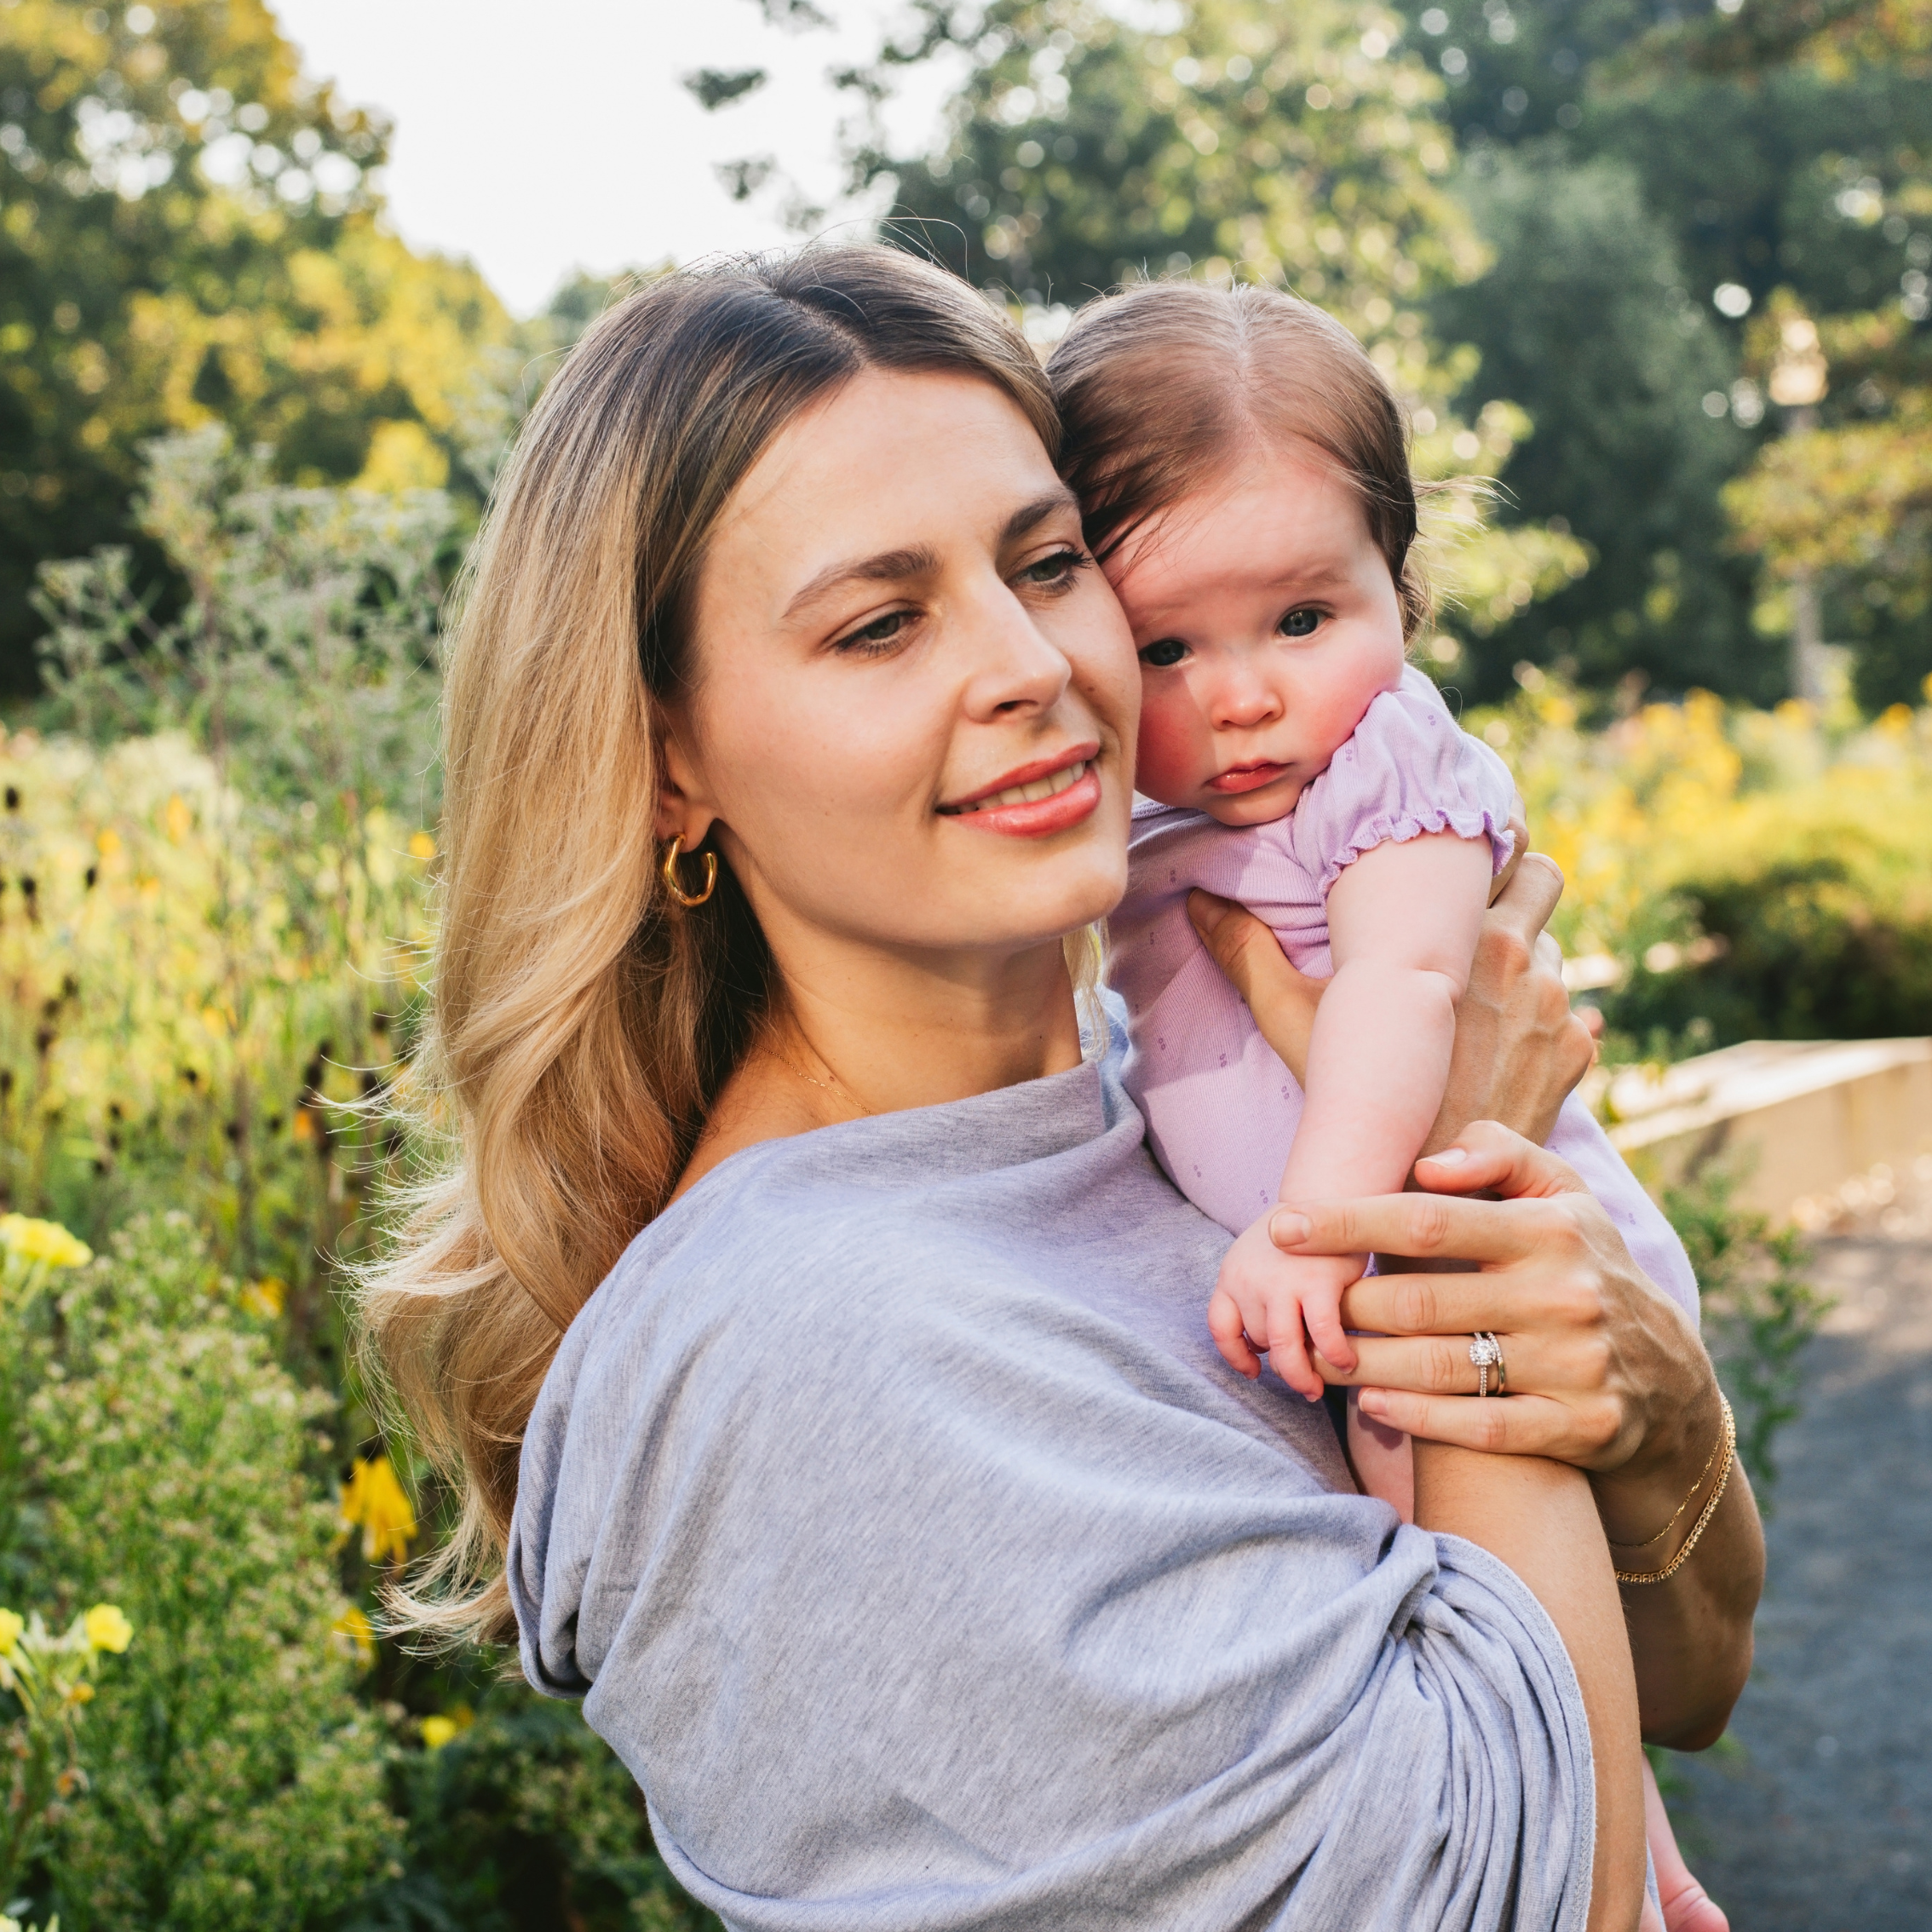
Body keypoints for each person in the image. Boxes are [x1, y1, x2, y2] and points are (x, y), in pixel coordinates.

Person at [355, 246, 1762, 1932]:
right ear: (667, 757)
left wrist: (1654, 1407)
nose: (1030, 664)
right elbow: (1550, 1907)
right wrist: (1455, 1168)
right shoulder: (832, 1353)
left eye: (1048, 561)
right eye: (880, 623)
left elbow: (1692, 1682)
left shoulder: (1156, 1091)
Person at [1044, 279, 1699, 1526]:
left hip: (1465, 1258)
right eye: (1164, 648)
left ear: (1393, 584)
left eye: (1301, 619)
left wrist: (1314, 1231)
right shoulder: (1130, 812)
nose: (1242, 698)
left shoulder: (1381, 766)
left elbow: (1408, 986)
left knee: (1438, 1515)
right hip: (1330, 1289)